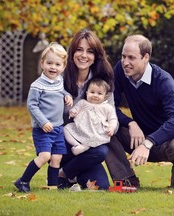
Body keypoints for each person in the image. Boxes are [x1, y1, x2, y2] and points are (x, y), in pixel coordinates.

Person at [105, 34, 174, 189]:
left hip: (166, 142)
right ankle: (127, 180)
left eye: (131, 58)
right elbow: (108, 106)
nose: (125, 62)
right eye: (123, 56)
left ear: (145, 57)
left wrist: (148, 142)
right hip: (137, 137)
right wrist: (130, 123)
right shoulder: (120, 70)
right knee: (103, 125)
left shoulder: (163, 81)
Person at [59, 28, 115, 190]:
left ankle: (65, 173)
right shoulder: (59, 77)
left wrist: (107, 128)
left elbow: (110, 113)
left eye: (89, 51)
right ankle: (65, 171)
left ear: (96, 56)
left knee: (101, 185)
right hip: (62, 140)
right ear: (72, 52)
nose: (84, 55)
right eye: (79, 50)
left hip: (89, 144)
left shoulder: (102, 81)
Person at [14, 42, 73, 192]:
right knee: (45, 156)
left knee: (56, 158)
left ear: (63, 66)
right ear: (42, 64)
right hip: (43, 129)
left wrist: (67, 96)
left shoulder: (59, 81)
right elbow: (32, 105)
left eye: (57, 64)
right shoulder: (37, 85)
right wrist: (43, 122)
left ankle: (52, 186)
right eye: (49, 63)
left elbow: (62, 91)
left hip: (58, 128)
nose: (53, 67)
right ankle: (23, 181)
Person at [64, 78, 118, 155]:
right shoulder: (82, 103)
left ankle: (86, 146)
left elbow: (113, 119)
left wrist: (111, 128)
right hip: (80, 129)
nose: (95, 95)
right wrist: (73, 112)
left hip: (96, 131)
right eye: (92, 92)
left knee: (94, 139)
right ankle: (77, 145)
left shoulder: (107, 107)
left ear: (105, 97)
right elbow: (75, 109)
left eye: (99, 93)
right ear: (87, 93)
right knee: (66, 129)